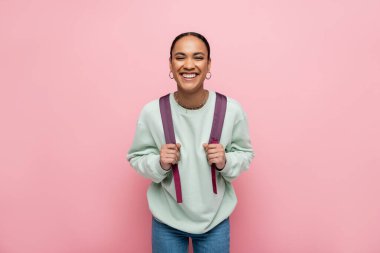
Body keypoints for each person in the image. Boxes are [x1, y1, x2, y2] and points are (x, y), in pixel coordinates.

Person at [127, 32, 255, 253]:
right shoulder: (152, 112)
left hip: (215, 221)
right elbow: (136, 157)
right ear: (170, 64)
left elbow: (245, 153)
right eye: (180, 57)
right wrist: (160, 163)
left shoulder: (231, 110)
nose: (188, 65)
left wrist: (226, 160)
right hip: (166, 221)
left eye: (197, 57)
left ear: (208, 64)